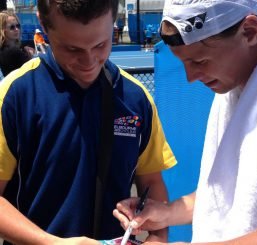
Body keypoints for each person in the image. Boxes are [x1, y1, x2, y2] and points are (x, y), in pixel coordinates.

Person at [114, 0, 257, 244]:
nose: (190, 77)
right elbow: (229, 196)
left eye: (200, 61)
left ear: (249, 31)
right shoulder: (237, 92)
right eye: (183, 63)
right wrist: (167, 213)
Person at [0, 0, 176, 244]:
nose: (89, 61)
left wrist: (157, 238)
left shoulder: (136, 99)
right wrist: (52, 243)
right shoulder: (14, 95)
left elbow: (152, 182)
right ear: (44, 23)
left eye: (101, 45)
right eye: (72, 49)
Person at [0, 10, 34, 79]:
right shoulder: (13, 52)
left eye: (18, 26)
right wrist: (31, 55)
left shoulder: (3, 49)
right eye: (12, 27)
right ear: (3, 30)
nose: (16, 29)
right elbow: (33, 72)